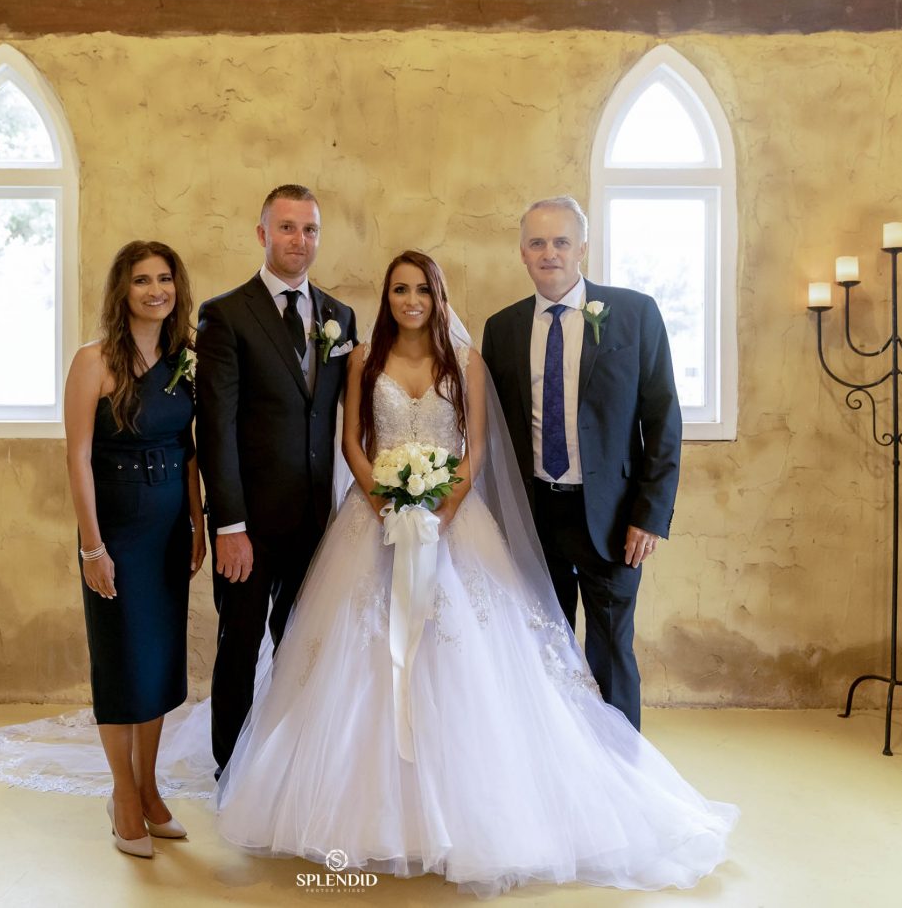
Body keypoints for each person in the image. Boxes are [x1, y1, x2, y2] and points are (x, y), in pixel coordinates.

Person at [215, 250, 735, 896]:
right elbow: (352, 442)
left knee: (469, 658)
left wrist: (438, 510)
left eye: (422, 290)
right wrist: (385, 503)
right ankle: (364, 809)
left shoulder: (467, 361)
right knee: (358, 658)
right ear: (387, 296)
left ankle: (489, 803)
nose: (411, 300)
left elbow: (477, 448)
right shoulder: (361, 359)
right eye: (399, 289)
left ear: (438, 296)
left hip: (451, 521)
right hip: (372, 521)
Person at [482, 196, 681, 730]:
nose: (549, 253)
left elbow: (663, 420)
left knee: (611, 650)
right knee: (543, 648)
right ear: (522, 253)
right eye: (537, 243)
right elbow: (494, 431)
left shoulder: (635, 314)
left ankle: (619, 764)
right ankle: (554, 755)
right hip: (533, 516)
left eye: (561, 241)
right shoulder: (501, 329)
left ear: (583, 248)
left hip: (613, 518)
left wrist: (650, 515)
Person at [196, 184, 358, 775]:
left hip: (316, 519)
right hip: (250, 524)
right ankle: (231, 771)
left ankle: (290, 769)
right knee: (239, 647)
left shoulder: (339, 317)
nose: (299, 240)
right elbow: (216, 428)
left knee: (302, 649)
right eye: (287, 227)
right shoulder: (225, 314)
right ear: (262, 233)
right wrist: (229, 525)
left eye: (310, 229)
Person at [63, 240, 207, 859]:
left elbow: (191, 451)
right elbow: (77, 458)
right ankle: (122, 794)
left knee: (157, 663)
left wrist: (198, 523)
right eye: (143, 280)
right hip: (117, 530)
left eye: (165, 279)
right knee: (121, 663)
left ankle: (149, 787)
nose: (156, 290)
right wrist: (93, 547)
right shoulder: (93, 361)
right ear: (122, 290)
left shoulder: (185, 361)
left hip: (170, 527)